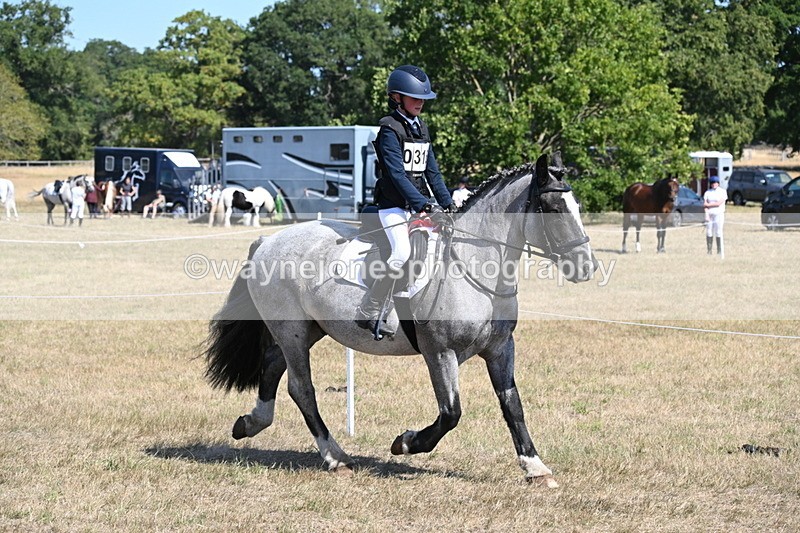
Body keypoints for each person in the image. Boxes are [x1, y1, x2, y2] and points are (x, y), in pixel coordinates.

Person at [355, 65, 454, 338]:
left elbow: (431, 171)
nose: (420, 103)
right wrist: (425, 205)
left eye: (423, 99)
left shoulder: (421, 127)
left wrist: (447, 203)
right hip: (393, 206)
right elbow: (397, 175)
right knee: (401, 252)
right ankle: (370, 309)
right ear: (397, 97)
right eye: (414, 98)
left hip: (418, 203)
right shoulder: (389, 128)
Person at [703, 175, 727, 256]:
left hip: (719, 214)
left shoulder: (723, 192)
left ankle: (719, 250)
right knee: (709, 232)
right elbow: (705, 204)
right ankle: (709, 250)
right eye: (712, 183)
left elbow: (718, 204)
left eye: (715, 183)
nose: (714, 184)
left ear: (718, 183)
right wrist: (706, 214)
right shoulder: (707, 192)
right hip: (710, 214)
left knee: (718, 231)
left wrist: (708, 204)